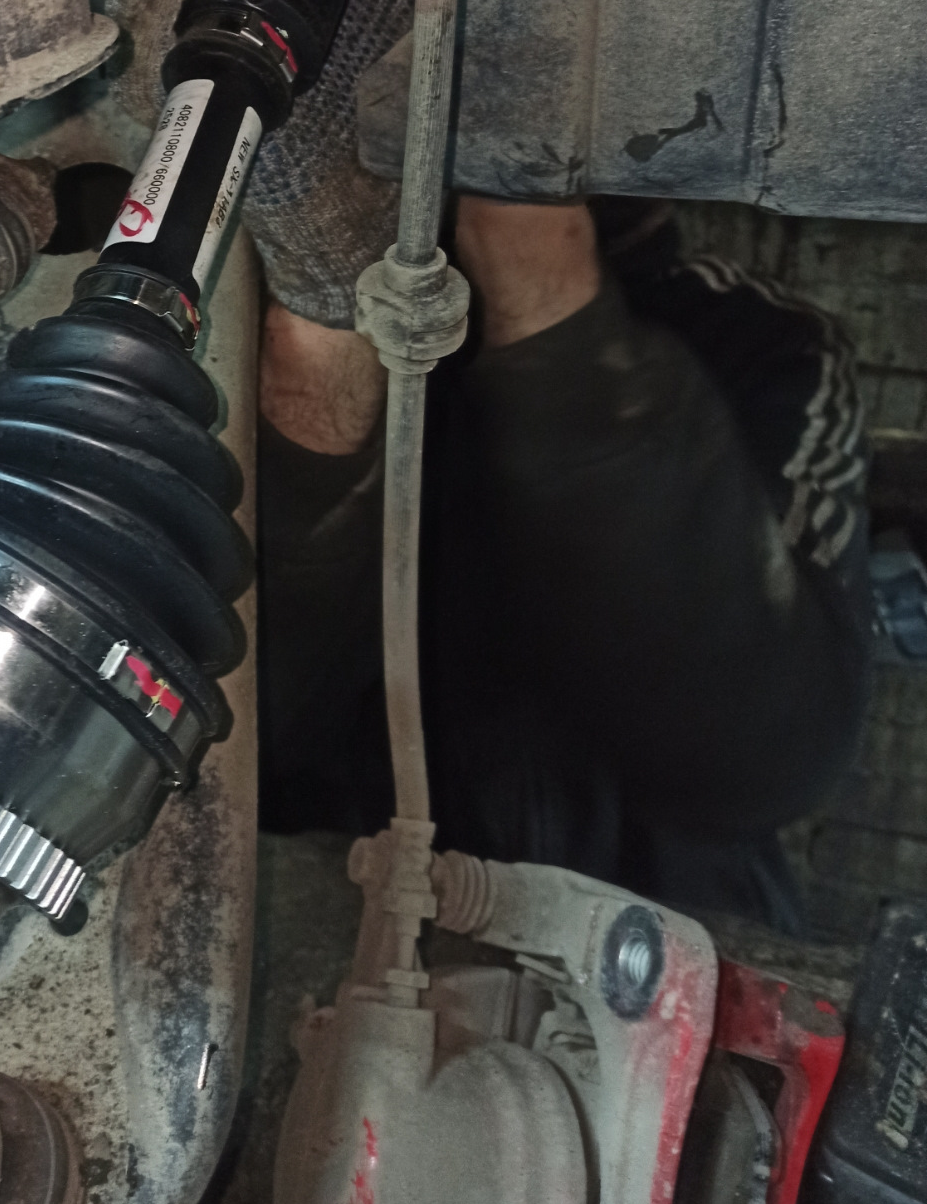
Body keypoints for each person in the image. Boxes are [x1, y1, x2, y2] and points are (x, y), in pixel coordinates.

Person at [251, 189, 872, 933]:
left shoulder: (761, 340)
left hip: (641, 953)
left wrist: (543, 282)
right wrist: (318, 338)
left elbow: (761, 756)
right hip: (290, 915)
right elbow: (207, 706)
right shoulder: (223, 301)